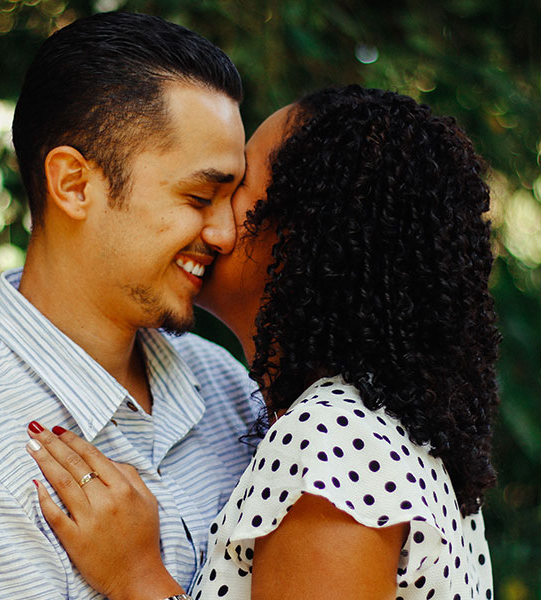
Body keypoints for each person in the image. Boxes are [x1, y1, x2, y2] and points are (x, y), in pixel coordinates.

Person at [26, 85, 500, 599]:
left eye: (236, 189)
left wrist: (136, 576)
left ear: (305, 235)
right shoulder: (377, 422)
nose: (211, 221)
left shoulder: (335, 450)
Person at [0, 12, 260, 599]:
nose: (227, 234)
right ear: (74, 184)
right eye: (201, 196)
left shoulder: (227, 387)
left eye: (232, 198)